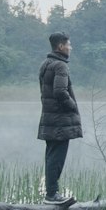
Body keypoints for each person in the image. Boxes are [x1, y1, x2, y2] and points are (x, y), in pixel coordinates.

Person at [38, 32, 83, 201]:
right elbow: (59, 91)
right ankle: (52, 195)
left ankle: (51, 193)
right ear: (60, 46)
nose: (70, 48)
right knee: (56, 158)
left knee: (51, 156)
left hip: (50, 119)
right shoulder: (60, 66)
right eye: (68, 45)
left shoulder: (45, 64)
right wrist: (73, 107)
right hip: (60, 121)